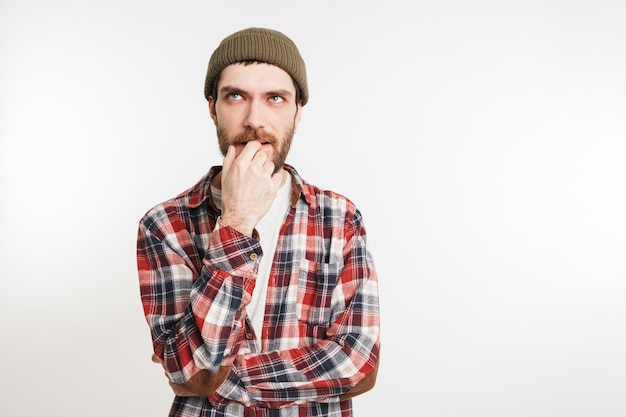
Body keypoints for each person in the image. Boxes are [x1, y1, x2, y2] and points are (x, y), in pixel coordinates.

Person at [136, 27, 381, 417]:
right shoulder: (164, 225)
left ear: (298, 111)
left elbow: (360, 365)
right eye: (236, 96)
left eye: (275, 98)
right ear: (213, 106)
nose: (255, 119)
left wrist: (228, 381)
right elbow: (193, 369)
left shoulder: (340, 218)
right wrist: (236, 221)